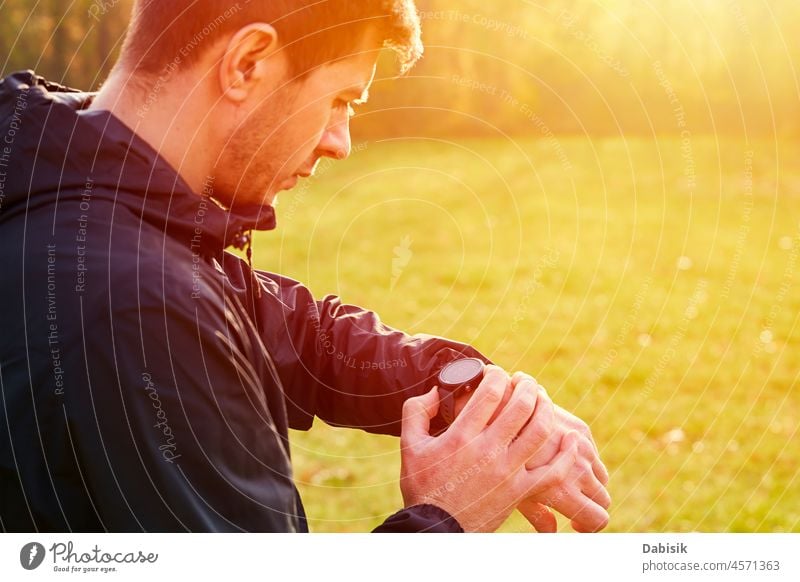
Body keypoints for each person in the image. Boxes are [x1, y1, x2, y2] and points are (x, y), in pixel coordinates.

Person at [0, 0, 610, 533]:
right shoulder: (139, 306)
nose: (340, 142)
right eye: (341, 98)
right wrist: (445, 517)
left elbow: (292, 332)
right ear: (247, 64)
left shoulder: (68, 187)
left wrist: (470, 392)